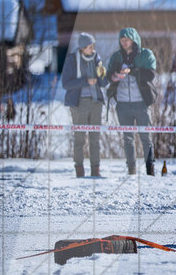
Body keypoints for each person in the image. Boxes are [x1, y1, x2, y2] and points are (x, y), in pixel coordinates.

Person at [105, 27, 158, 175]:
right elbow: (109, 74)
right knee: (127, 138)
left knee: (145, 137)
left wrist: (132, 71)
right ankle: (131, 168)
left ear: (133, 40)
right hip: (122, 103)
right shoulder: (116, 57)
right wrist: (113, 76)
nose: (124, 43)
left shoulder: (146, 54)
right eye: (122, 40)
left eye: (126, 40)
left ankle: (150, 168)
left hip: (141, 103)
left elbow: (150, 74)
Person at [62, 32, 109, 178]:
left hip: (96, 103)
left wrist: (103, 76)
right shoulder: (71, 60)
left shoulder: (97, 60)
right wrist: (85, 81)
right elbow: (66, 84)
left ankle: (95, 170)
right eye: (89, 47)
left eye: (93, 46)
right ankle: (79, 170)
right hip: (78, 103)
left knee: (95, 138)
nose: (92, 49)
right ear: (82, 47)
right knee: (79, 138)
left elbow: (104, 83)